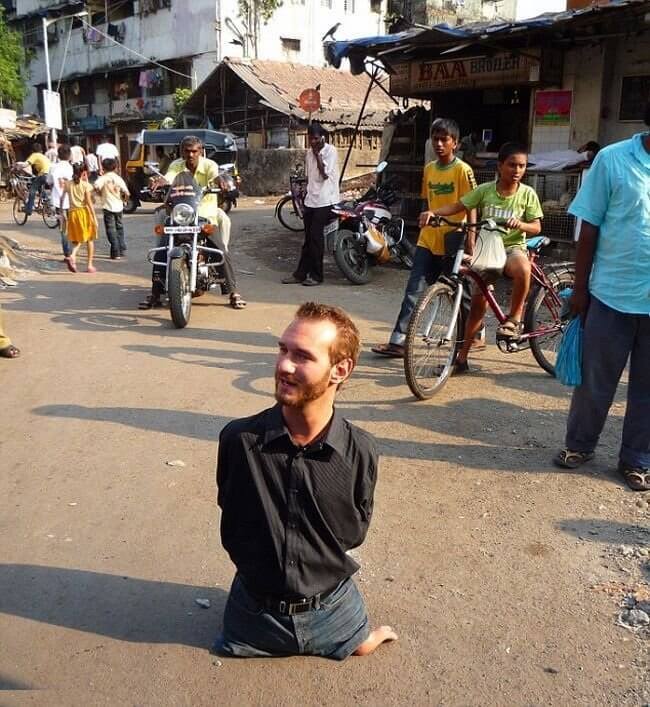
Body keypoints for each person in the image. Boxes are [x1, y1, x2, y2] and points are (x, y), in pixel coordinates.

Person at [214, 302, 397, 659]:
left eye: (302, 356)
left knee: (360, 645)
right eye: (283, 349)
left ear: (340, 370)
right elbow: (233, 520)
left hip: (332, 607)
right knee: (230, 646)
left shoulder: (360, 450)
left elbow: (354, 532)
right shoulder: (239, 441)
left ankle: (354, 637)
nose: (283, 365)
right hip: (254, 611)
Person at [553, 103, 650, 492]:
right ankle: (580, 445)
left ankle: (638, 459)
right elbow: (588, 227)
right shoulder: (612, 159)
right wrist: (580, 289)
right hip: (610, 294)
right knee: (595, 381)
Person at [431, 142, 543, 373]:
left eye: (522, 166)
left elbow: (536, 226)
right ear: (500, 166)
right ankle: (461, 359)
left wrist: (520, 224)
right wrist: (434, 213)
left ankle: (514, 318)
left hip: (512, 248)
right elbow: (458, 205)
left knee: (523, 268)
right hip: (486, 251)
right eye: (512, 165)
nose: (517, 170)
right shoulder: (485, 191)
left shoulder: (527, 194)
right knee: (477, 308)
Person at [371, 118, 478, 358]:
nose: (439, 144)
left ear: (456, 144)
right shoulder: (429, 169)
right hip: (428, 239)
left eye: (444, 140)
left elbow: (471, 205)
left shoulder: (463, 170)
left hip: (454, 238)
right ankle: (398, 341)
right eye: (435, 139)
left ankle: (472, 334)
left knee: (459, 292)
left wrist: (471, 237)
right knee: (413, 290)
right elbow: (428, 201)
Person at [140, 135, 246, 309]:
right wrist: (159, 181)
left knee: (220, 250)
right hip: (181, 214)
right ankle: (155, 294)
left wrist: (222, 181)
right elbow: (169, 177)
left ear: (200, 151)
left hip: (204, 215)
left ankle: (233, 292)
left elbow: (216, 175)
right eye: (187, 151)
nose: (190, 155)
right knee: (162, 251)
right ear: (182, 152)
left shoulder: (209, 165)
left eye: (194, 151)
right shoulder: (176, 165)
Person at [282, 123, 340, 286]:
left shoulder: (330, 151)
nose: (312, 142)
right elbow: (311, 176)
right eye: (310, 139)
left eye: (315, 139)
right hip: (311, 199)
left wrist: (318, 154)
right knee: (308, 239)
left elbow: (324, 175)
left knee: (315, 237)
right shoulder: (308, 153)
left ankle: (317, 275)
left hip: (326, 200)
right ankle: (300, 274)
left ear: (322, 137)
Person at [65, 163, 98, 273]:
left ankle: (73, 256)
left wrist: (61, 213)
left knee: (78, 239)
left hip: (72, 213)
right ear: (84, 173)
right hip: (84, 213)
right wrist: (94, 218)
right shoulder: (85, 185)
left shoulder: (67, 184)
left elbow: (61, 199)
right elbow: (89, 202)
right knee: (89, 239)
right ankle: (89, 265)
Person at [94, 158, 129, 260]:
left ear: (103, 167)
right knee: (119, 227)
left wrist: (100, 193)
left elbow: (96, 186)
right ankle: (122, 249)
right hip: (119, 206)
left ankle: (115, 251)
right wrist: (124, 200)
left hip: (108, 207)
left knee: (110, 229)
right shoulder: (118, 178)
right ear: (115, 167)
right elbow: (127, 193)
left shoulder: (103, 178)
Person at [47, 144, 74, 265]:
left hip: (58, 202)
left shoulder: (53, 167)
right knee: (71, 226)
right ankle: (72, 251)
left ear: (58, 155)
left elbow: (49, 181)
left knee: (63, 228)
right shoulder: (71, 168)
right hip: (71, 201)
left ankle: (67, 254)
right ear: (69, 156)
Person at [24, 143, 51, 216]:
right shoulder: (43, 156)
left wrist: (17, 166)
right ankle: (47, 203)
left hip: (43, 175)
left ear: (33, 150)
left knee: (32, 190)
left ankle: (29, 209)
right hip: (49, 175)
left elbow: (26, 164)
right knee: (39, 187)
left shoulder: (34, 155)